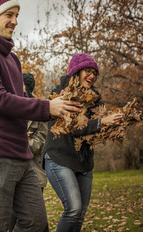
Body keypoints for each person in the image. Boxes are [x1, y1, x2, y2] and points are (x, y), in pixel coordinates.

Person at [0, 0, 82, 232]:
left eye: (17, 15)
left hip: (20, 154)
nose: (15, 21)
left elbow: (20, 100)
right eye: (9, 14)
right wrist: (48, 108)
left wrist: (60, 106)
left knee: (36, 224)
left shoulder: (12, 59)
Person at [44, 53, 124, 232]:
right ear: (76, 72)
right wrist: (101, 122)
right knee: (73, 210)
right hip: (60, 158)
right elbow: (73, 127)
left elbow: (97, 128)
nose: (92, 76)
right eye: (87, 71)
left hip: (84, 162)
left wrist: (117, 123)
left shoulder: (95, 98)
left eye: (94, 73)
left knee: (80, 215)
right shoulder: (61, 94)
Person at [9, 73, 49, 231]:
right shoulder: (9, 106)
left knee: (37, 220)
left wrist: (19, 141)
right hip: (11, 170)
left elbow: (39, 144)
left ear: (27, 87)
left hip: (34, 173)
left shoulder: (39, 111)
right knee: (16, 219)